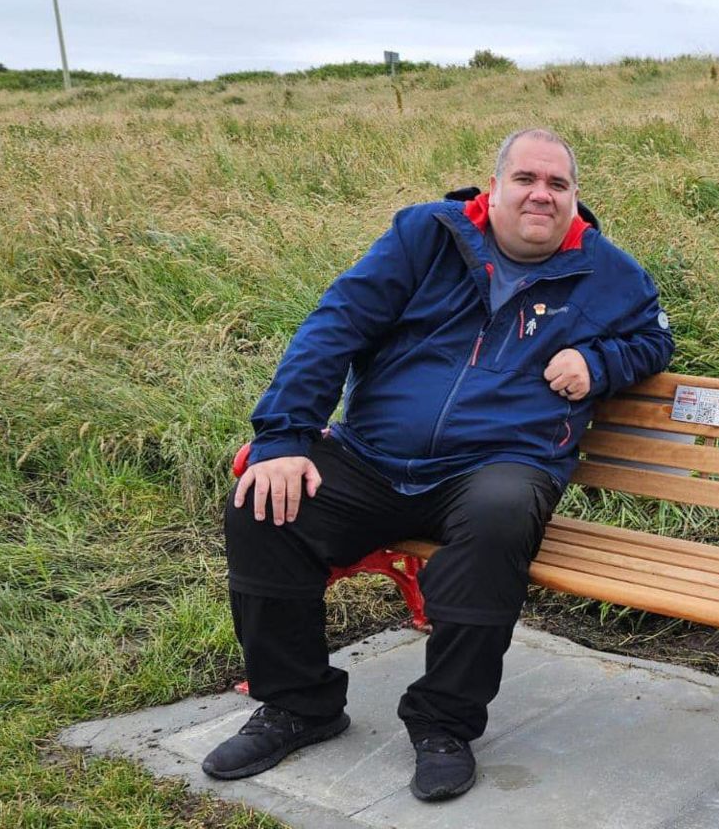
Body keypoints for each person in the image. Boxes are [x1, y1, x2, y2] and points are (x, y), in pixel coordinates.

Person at [201, 128, 673, 801]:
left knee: (501, 515)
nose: (542, 194)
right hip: (371, 455)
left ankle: (443, 723)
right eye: (526, 180)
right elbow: (334, 326)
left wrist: (600, 363)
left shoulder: (609, 273)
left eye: (558, 185)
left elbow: (656, 340)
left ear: (575, 198)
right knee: (264, 506)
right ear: (495, 186)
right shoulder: (426, 235)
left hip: (500, 463)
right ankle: (299, 705)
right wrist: (284, 436)